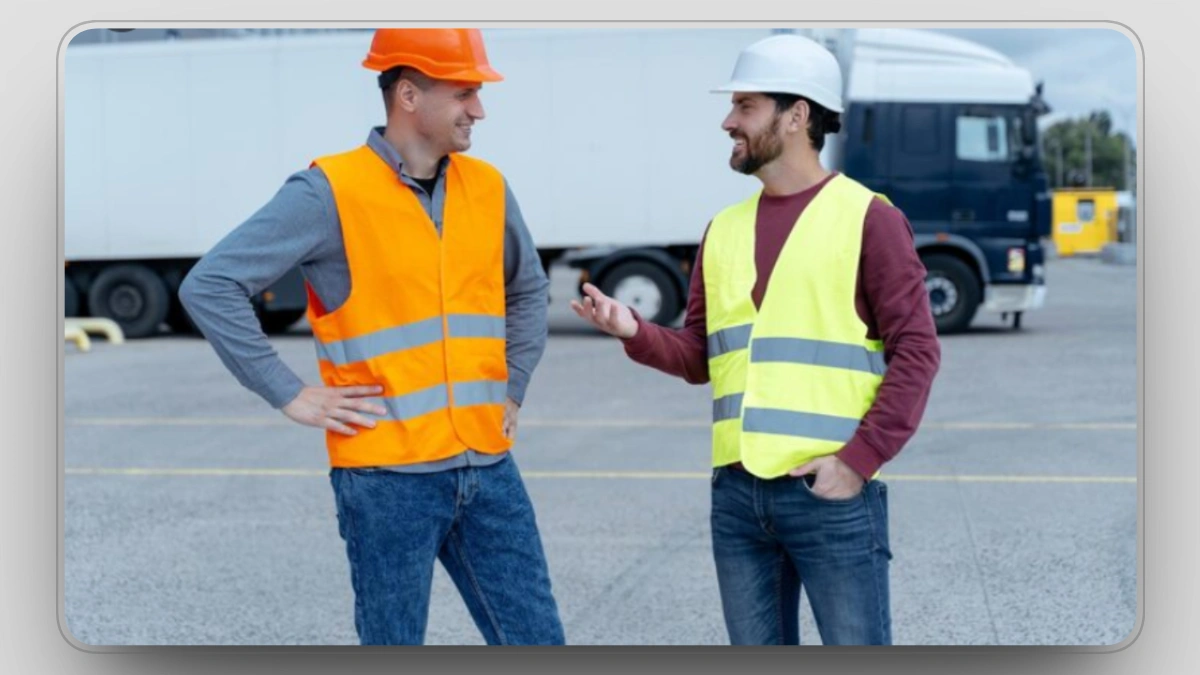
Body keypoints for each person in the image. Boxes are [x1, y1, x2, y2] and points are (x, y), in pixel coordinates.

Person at [179, 28, 565, 646]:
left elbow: (526, 290)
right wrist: (288, 393)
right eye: (465, 93)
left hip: (489, 468)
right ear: (408, 94)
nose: (480, 110)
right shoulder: (328, 191)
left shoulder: (487, 187)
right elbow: (210, 285)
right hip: (387, 481)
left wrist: (513, 386)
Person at [570, 33, 941, 645]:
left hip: (829, 495)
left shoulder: (868, 218)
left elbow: (918, 351)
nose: (727, 122)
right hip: (738, 497)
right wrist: (633, 331)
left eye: (745, 106)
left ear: (797, 116)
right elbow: (700, 356)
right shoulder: (723, 230)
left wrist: (858, 462)